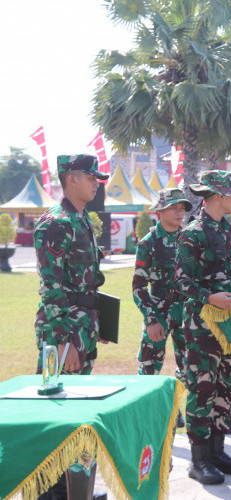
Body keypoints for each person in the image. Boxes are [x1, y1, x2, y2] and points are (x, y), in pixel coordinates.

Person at [34, 154, 109, 500]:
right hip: (64, 332)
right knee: (58, 413)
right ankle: (51, 492)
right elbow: (52, 288)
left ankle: (74, 489)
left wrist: (99, 322)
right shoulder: (56, 222)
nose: (97, 183)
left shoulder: (81, 219)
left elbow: (86, 281)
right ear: (72, 179)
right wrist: (65, 341)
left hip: (83, 327)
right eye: (92, 177)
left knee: (76, 408)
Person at [175, 170, 231, 485]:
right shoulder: (193, 233)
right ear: (217, 197)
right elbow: (182, 281)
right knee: (203, 389)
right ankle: (199, 460)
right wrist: (210, 297)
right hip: (203, 328)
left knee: (228, 387)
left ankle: (218, 452)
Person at [132, 188, 192, 427]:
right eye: (174, 207)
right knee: (148, 366)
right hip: (158, 310)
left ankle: (172, 405)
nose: (180, 212)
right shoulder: (148, 243)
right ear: (160, 211)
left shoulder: (189, 238)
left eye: (183, 208)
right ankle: (142, 415)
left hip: (186, 311)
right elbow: (138, 286)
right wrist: (151, 318)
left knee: (189, 367)